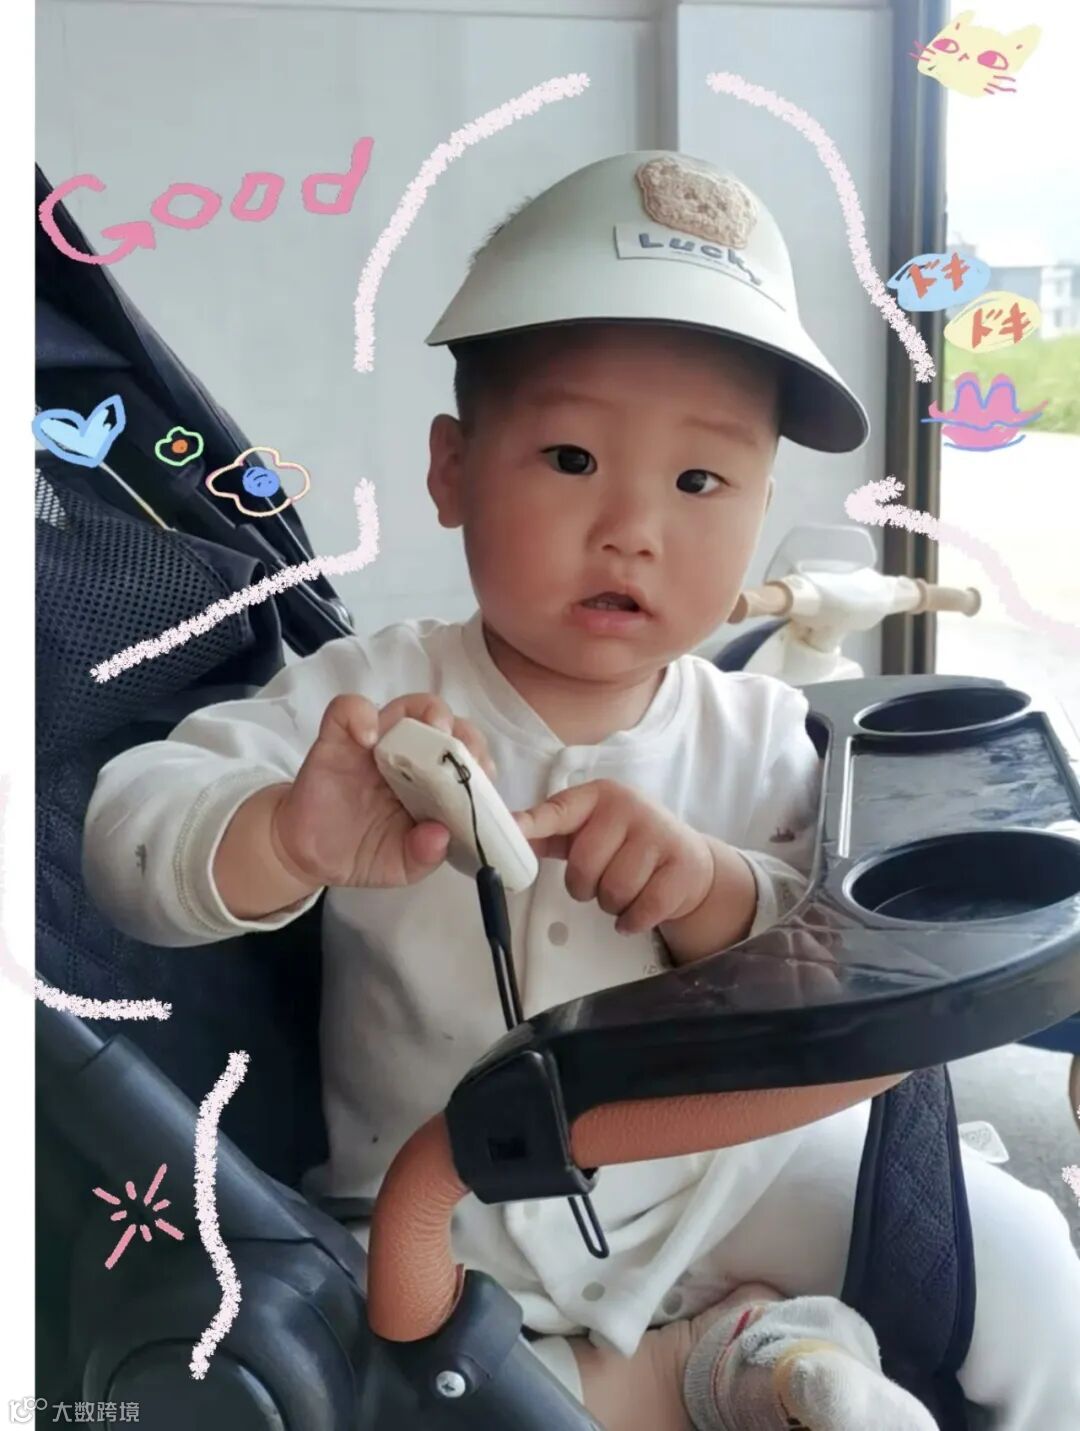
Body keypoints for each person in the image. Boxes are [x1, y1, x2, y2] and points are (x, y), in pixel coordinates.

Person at [82, 152, 1080, 1431]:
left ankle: (735, 1354)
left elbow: (837, 956)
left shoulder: (760, 731)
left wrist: (711, 892)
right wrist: (282, 835)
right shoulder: (366, 700)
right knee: (404, 1396)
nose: (633, 529)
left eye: (700, 482)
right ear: (452, 469)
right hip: (436, 1209)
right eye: (569, 457)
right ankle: (724, 1364)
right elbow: (127, 837)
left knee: (1025, 1261)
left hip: (718, 1172)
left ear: (762, 506)